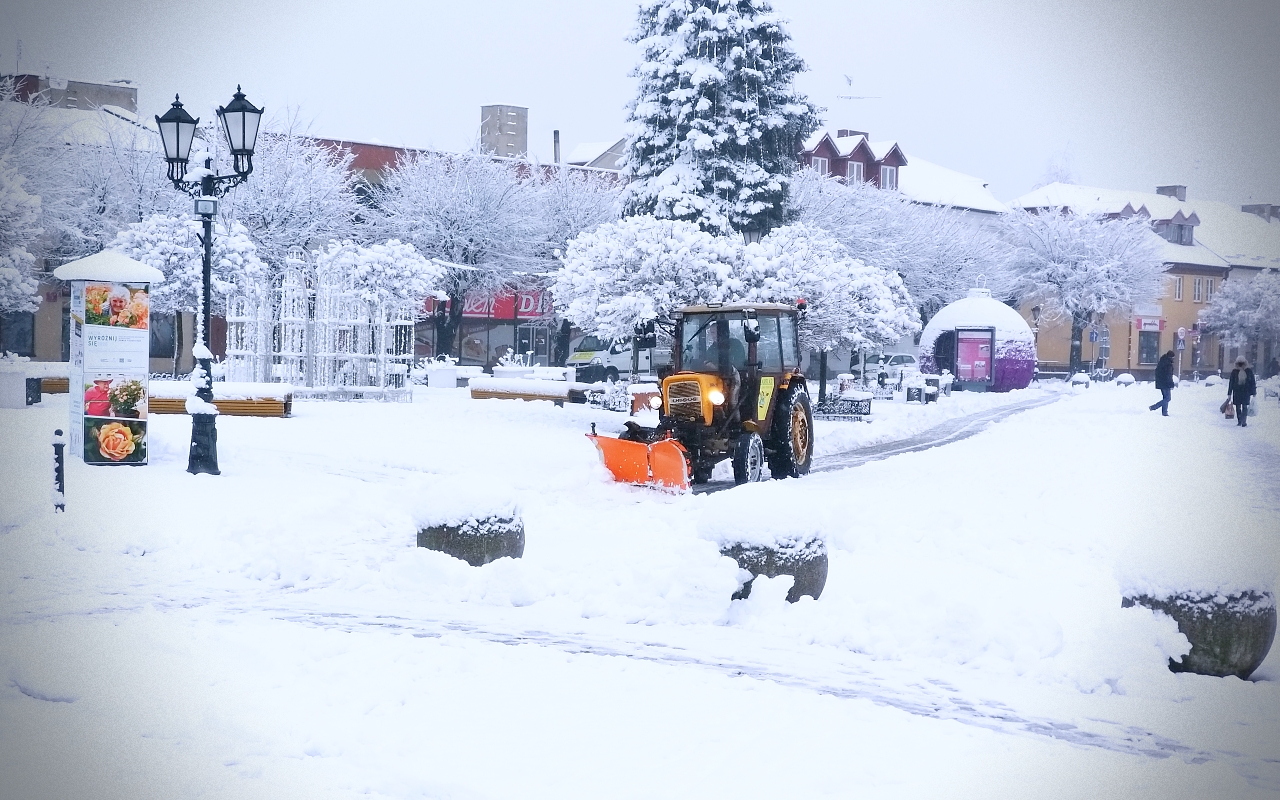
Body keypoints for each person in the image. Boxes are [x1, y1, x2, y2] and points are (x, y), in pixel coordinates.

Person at [1227, 356, 1257, 427]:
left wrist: (1254, 392)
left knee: (1244, 406)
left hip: (1244, 391)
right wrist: (1229, 393)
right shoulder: (1235, 372)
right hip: (1239, 391)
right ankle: (1240, 420)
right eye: (1239, 363)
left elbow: (1252, 382)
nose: (1240, 365)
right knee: (1239, 407)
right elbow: (1231, 382)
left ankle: (1243, 421)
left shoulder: (1248, 371)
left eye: (1242, 363)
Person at [1149, 350, 1175, 415]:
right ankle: (1154, 407)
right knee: (1168, 398)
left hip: (1161, 382)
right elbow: (1168, 375)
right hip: (1166, 383)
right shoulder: (1168, 364)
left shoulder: (1162, 362)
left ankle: (1164, 412)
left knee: (1165, 398)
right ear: (1170, 357)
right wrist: (1171, 383)